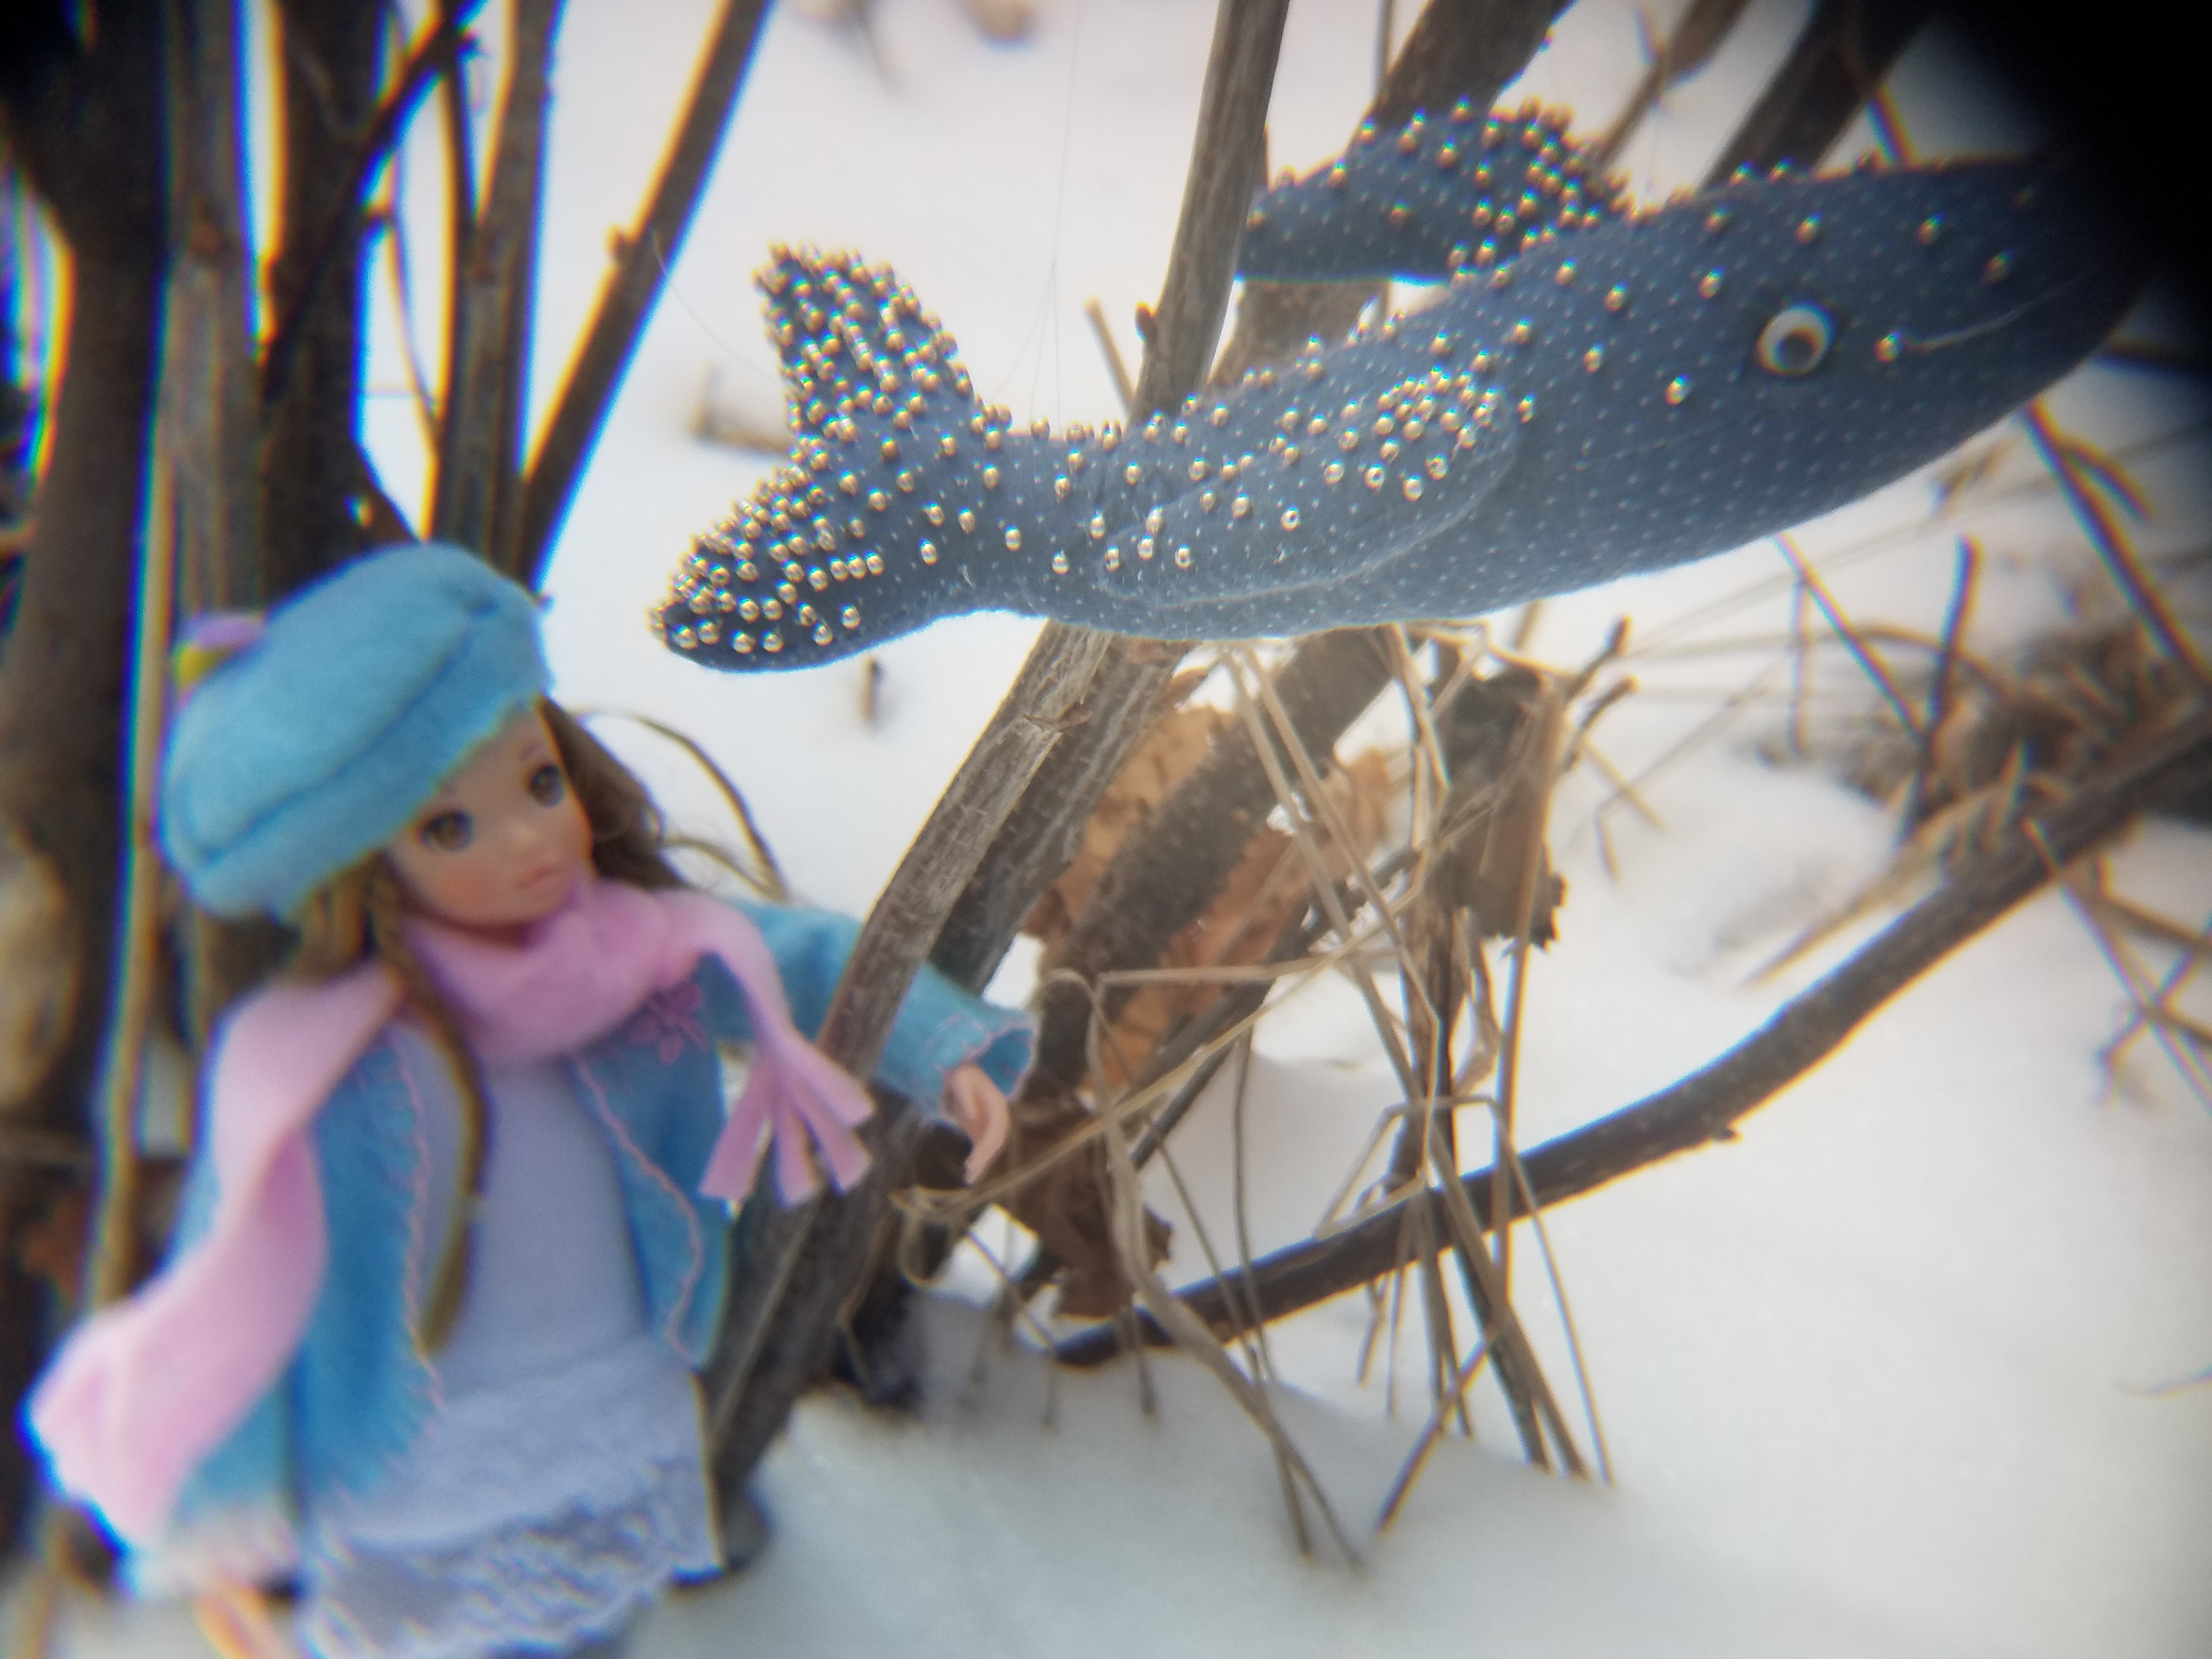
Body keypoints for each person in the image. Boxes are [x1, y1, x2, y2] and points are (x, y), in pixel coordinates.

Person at [27, 543, 1029, 1658]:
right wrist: (234, 1533)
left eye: (540, 783)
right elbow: (245, 1293)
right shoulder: (319, 1069)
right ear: (367, 864)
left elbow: (805, 960)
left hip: (614, 1421)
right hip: (425, 1472)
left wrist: (940, 1048)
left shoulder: (637, 959)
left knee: (599, 1630)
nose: (525, 842)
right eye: (447, 827)